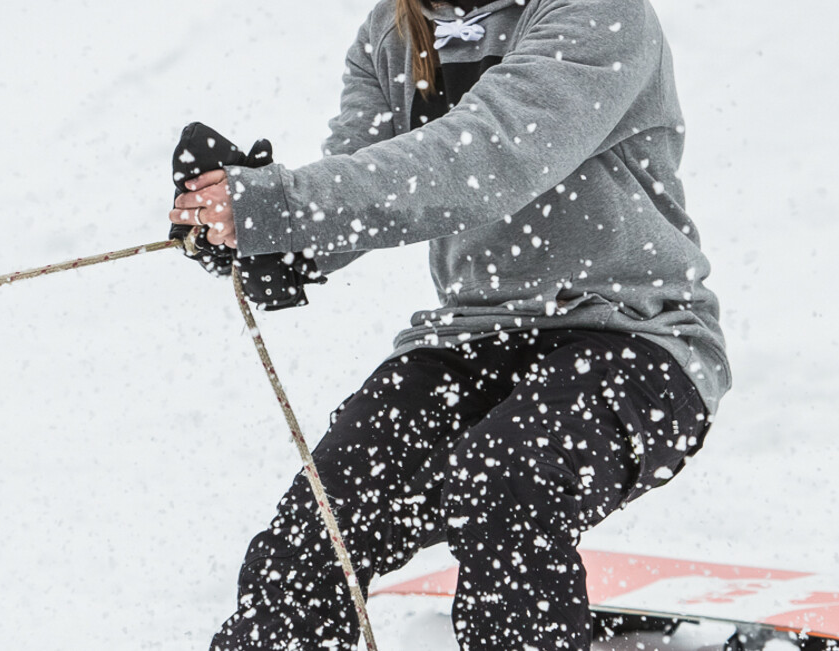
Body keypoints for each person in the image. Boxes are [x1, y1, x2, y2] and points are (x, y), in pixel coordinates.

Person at [165, 1, 730, 649]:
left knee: (504, 482)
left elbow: (489, 158)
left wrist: (284, 207)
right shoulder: (392, 33)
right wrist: (251, 232)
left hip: (637, 343)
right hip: (470, 343)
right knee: (319, 526)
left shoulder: (597, 11)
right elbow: (365, 185)